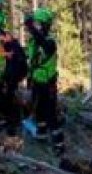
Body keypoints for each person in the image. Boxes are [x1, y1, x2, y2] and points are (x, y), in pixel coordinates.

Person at [25, 8, 63, 155]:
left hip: (48, 85)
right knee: (39, 111)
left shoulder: (49, 42)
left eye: (38, 24)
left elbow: (45, 45)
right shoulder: (34, 41)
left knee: (51, 115)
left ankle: (59, 145)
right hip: (37, 82)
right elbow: (32, 58)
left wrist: (31, 28)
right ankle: (41, 134)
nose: (36, 26)